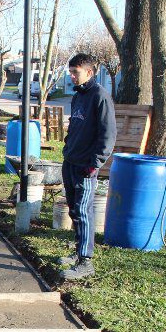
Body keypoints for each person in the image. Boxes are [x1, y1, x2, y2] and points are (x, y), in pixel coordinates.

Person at [59, 53, 116, 280]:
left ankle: (86, 262)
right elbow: (75, 127)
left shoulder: (99, 96)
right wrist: (67, 149)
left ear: (89, 72)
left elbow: (108, 135)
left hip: (86, 166)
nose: (72, 76)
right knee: (74, 210)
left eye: (76, 72)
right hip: (71, 161)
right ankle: (78, 251)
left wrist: (95, 164)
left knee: (83, 211)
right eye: (70, 72)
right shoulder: (78, 96)